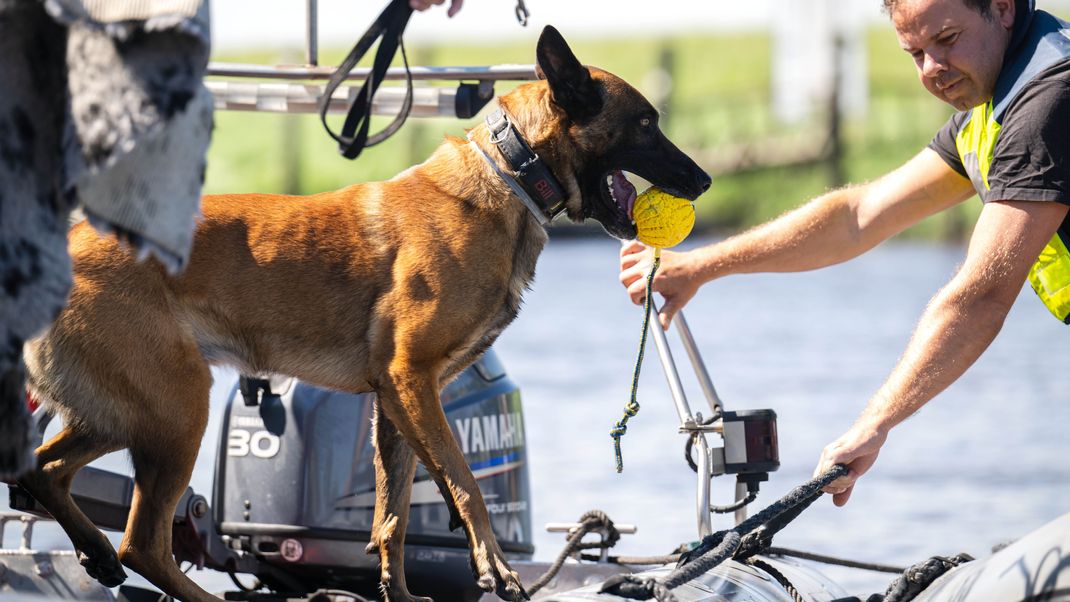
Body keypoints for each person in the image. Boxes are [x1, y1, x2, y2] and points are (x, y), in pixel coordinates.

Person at [619, 0, 1070, 506]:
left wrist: (874, 424)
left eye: (947, 39)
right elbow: (857, 217)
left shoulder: (1047, 99)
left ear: (1003, 9)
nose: (933, 71)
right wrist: (700, 266)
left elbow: (982, 294)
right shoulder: (995, 96)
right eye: (915, 52)